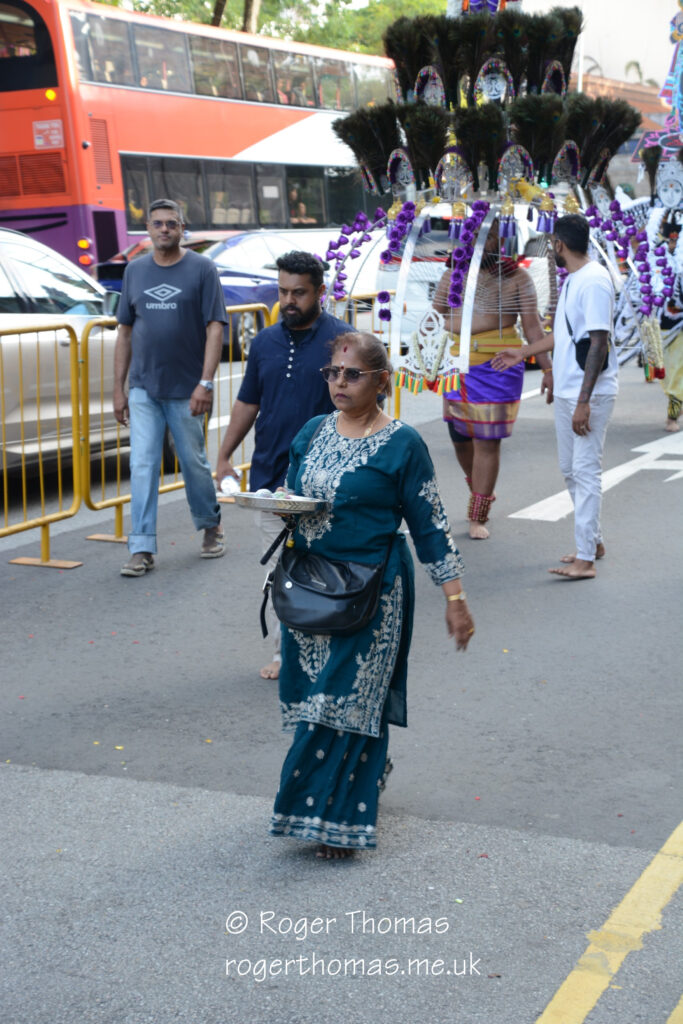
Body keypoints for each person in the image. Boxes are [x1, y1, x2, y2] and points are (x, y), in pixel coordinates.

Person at [269, 331, 475, 860]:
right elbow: (295, 494)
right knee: (310, 698)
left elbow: (430, 525)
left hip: (373, 593)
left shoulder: (403, 444)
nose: (339, 382)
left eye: (352, 374)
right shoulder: (313, 431)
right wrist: (279, 505)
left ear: (382, 381)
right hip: (311, 584)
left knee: (346, 703)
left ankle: (337, 820)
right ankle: (348, 786)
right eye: (333, 373)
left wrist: (454, 599)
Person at [215, 251, 354, 679]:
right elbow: (248, 402)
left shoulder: (343, 343)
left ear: (320, 293)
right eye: (282, 292)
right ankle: (284, 652)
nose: (288, 300)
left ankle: (333, 648)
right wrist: (222, 456)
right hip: (270, 481)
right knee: (279, 573)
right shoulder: (264, 343)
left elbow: (365, 409)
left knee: (329, 570)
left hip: (325, 483)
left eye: (298, 293)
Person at [492, 213, 617, 580]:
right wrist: (526, 352)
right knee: (569, 470)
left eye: (551, 245)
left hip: (587, 394)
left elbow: (598, 342)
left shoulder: (593, 281)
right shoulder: (573, 280)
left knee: (585, 470)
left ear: (560, 245)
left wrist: (583, 402)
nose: (552, 251)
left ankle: (585, 560)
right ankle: (592, 541)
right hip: (567, 390)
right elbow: (565, 335)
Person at [113, 198, 227, 577]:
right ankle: (141, 547)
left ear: (182, 229)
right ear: (147, 228)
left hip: (187, 388)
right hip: (144, 388)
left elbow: (215, 326)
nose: (164, 229)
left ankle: (211, 525)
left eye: (172, 224)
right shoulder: (135, 271)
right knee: (143, 464)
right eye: (158, 223)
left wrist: (205, 382)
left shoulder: (202, 269)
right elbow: (125, 331)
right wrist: (119, 388)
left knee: (193, 464)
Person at [433, 221, 552, 539]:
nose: (484, 244)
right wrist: (461, 322)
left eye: (491, 238)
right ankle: (479, 487)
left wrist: (548, 370)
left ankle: (477, 513)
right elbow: (437, 313)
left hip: (499, 367)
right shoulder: (453, 273)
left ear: (502, 240)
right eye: (476, 237)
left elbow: (533, 329)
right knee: (459, 437)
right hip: (457, 367)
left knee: (487, 442)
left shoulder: (518, 277)